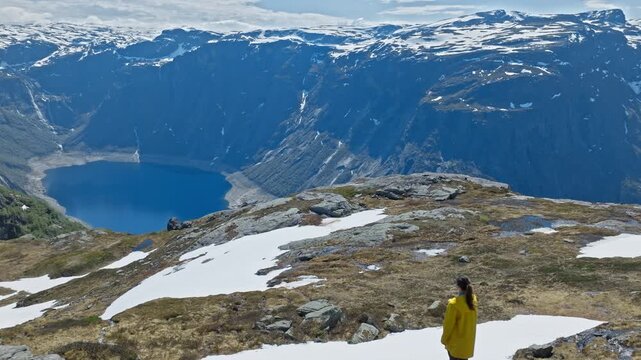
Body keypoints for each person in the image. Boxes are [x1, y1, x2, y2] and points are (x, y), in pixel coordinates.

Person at [440, 276, 478, 360]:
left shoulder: (454, 305)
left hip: (456, 346)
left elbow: (448, 325)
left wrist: (443, 340)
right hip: (467, 346)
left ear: (458, 287)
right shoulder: (473, 301)